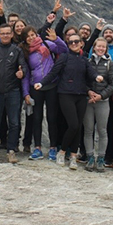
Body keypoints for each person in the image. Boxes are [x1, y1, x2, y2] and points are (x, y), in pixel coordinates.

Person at [34, 34, 102, 171]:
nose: (74, 44)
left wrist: (97, 77)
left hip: (81, 95)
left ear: (81, 43)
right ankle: (62, 151)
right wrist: (41, 83)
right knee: (73, 124)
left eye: (76, 41)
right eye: (71, 42)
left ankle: (73, 156)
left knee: (78, 127)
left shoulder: (84, 60)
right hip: (65, 94)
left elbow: (91, 72)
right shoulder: (64, 57)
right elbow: (54, 72)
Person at [20, 25, 67, 160]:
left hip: (52, 85)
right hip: (36, 88)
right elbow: (26, 74)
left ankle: (53, 148)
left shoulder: (47, 44)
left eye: (32, 34)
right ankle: (37, 148)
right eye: (28, 36)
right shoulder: (25, 51)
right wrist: (26, 93)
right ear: (24, 39)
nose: (31, 38)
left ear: (36, 34)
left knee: (52, 118)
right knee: (37, 118)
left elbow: (64, 50)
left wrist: (57, 39)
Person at [0, 24, 29, 163]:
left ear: (11, 34)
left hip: (13, 90)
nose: (4, 35)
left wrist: (22, 73)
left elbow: (24, 66)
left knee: (14, 122)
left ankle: (11, 151)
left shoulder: (17, 50)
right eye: (2, 33)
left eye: (7, 33)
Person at [83, 37, 113, 172]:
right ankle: (90, 157)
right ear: (94, 47)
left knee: (102, 131)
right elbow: (83, 79)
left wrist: (101, 96)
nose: (101, 49)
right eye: (99, 46)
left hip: (102, 102)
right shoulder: (87, 62)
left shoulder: (110, 64)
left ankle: (101, 158)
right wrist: (89, 91)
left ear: (106, 49)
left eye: (103, 47)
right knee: (88, 130)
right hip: (88, 100)